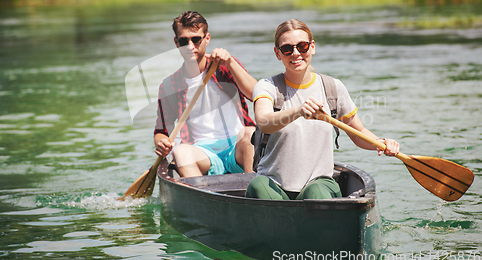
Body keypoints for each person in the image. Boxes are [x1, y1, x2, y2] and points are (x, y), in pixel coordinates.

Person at [246, 19, 400, 200]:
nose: (295, 53)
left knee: (314, 193)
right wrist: (298, 111)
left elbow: (358, 131)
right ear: (278, 53)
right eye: (287, 49)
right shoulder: (267, 86)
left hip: (319, 184)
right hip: (274, 186)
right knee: (257, 185)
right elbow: (264, 122)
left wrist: (381, 143)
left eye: (302, 46)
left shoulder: (333, 87)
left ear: (312, 47)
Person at [154, 11, 257, 177]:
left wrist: (230, 62)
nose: (190, 46)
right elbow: (161, 131)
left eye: (196, 39)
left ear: (206, 38)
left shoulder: (223, 66)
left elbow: (256, 94)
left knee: (250, 133)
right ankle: (202, 196)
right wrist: (162, 143)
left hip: (237, 148)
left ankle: (253, 190)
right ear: (176, 42)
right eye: (183, 41)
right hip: (202, 154)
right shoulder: (169, 86)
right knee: (180, 152)